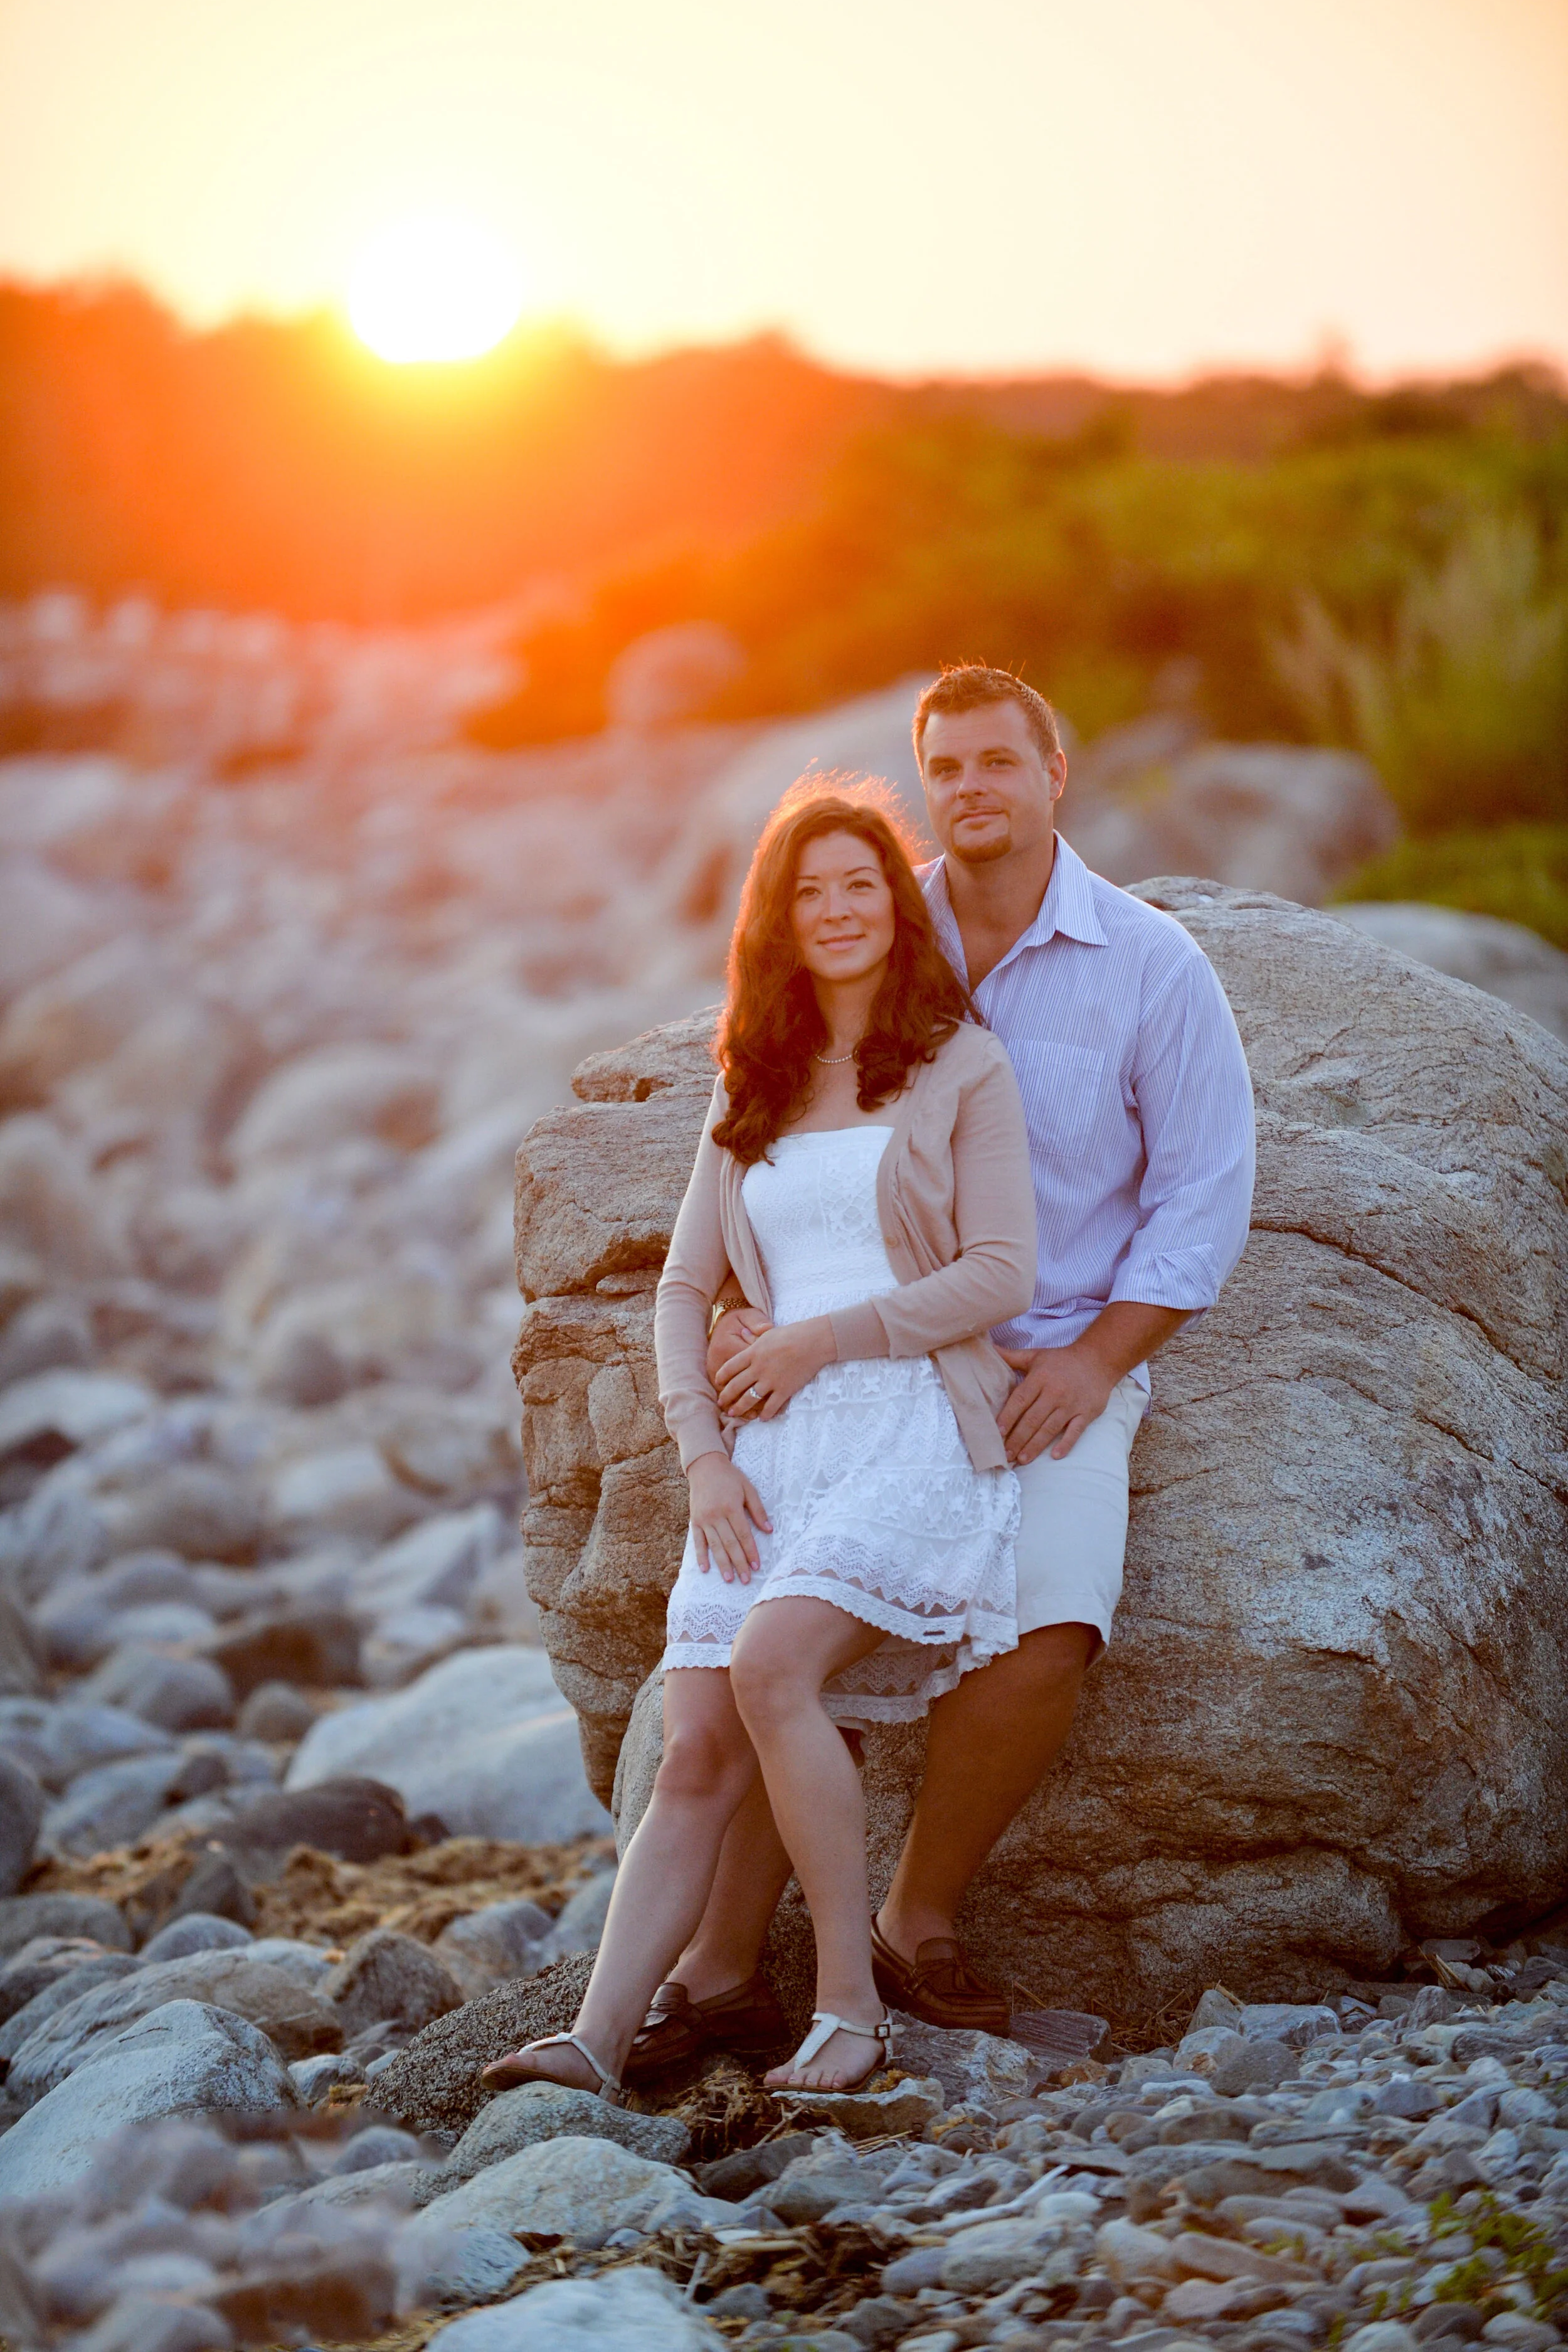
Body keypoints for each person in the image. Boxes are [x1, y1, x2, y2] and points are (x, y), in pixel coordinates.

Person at [624, 664, 1256, 2080]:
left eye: (995, 762)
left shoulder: (1152, 965)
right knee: (768, 1648)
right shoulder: (868, 915)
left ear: (1053, 771)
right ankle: (720, 1971)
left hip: (1040, 1356)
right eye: (945, 768)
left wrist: (1099, 1362)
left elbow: (1204, 1195)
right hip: (856, 1368)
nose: (970, 790)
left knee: (1045, 1633)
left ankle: (914, 1923)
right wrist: (749, 1301)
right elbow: (767, 1101)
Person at [481, 784, 1037, 2099]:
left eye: (858, 886)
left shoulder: (963, 1062)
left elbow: (1000, 1273)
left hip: (907, 1427)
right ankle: (595, 2039)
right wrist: (704, 1456)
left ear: (893, 908)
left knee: (777, 1665)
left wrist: (812, 1343)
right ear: (776, 923)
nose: (836, 911)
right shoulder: (754, 1077)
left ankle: (847, 2010)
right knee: (692, 1753)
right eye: (808, 892)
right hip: (763, 1462)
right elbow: (683, 1290)